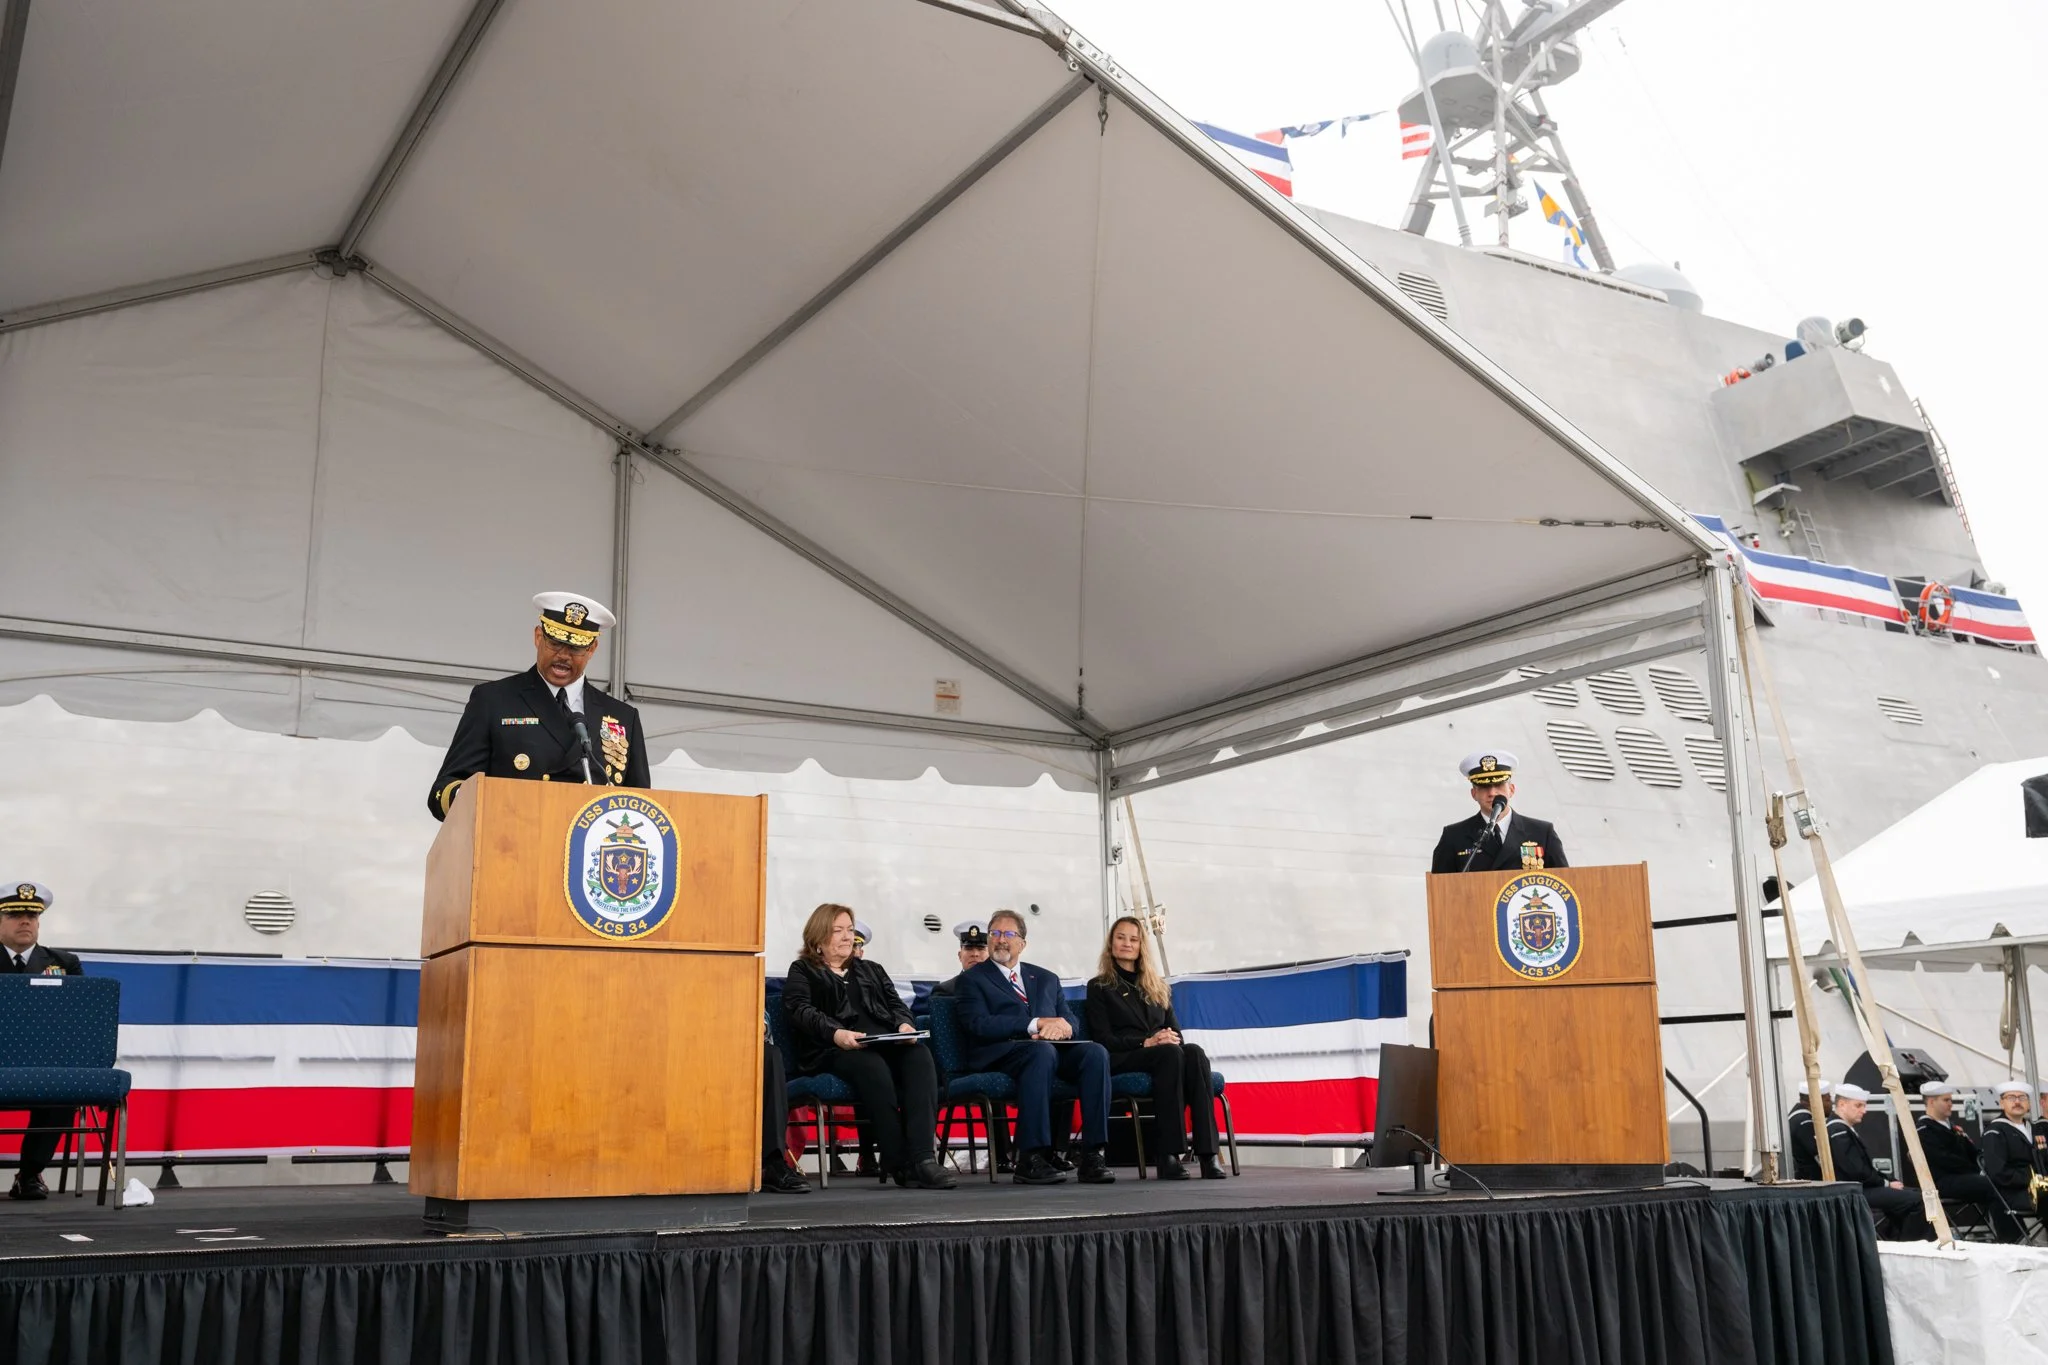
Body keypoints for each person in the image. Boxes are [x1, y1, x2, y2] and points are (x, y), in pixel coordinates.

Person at [426, 593, 651, 820]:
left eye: (575, 648)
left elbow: (642, 807)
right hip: (510, 845)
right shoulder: (493, 700)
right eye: (555, 643)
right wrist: (482, 800)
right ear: (537, 637)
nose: (563, 656)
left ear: (592, 649)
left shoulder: (623, 717)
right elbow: (444, 789)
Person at [782, 904, 954, 1190]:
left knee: (919, 1055)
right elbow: (800, 1010)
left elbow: (896, 1005)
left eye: (850, 930)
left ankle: (924, 1159)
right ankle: (898, 1161)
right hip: (834, 1049)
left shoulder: (871, 969)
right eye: (838, 931)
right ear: (818, 937)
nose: (848, 937)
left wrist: (903, 1026)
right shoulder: (803, 970)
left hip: (883, 1042)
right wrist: (837, 1033)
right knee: (870, 1065)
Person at [956, 909, 1113, 1186]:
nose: (1000, 940)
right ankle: (1031, 1156)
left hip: (1047, 1051)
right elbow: (978, 1024)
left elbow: (1070, 1020)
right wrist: (1035, 1024)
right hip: (1000, 1052)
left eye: (1008, 934)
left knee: (1095, 1054)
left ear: (1023, 943)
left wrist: (1063, 1027)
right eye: (994, 933)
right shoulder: (973, 979)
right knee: (1042, 1052)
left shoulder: (1046, 978)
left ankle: (1092, 1154)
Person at [1084, 916, 1227, 1181]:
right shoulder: (1100, 987)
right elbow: (1103, 1039)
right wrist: (1145, 1042)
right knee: (1170, 1054)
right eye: (1121, 937)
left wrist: (1166, 1039)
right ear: (1111, 944)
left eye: (1134, 939)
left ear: (1141, 947)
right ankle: (1168, 1154)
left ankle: (1208, 1155)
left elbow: (1176, 1035)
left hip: (1162, 1054)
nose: (1127, 943)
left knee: (1193, 1052)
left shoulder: (1157, 987)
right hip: (1122, 1056)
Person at [2, 882, 83, 1201]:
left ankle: (30, 1173)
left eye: (32, 916)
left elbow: (80, 1018)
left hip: (40, 1061)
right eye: (16, 915)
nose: (26, 921)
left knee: (61, 1090)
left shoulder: (64, 964)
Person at [1911, 1083, 2020, 1242]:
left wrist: (1986, 1166)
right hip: (1942, 1181)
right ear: (1931, 1102)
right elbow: (1944, 1160)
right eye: (1946, 1100)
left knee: (1998, 1180)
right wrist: (1977, 1171)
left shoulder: (1952, 1127)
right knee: (1990, 1185)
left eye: (1950, 1099)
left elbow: (1973, 1152)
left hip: (1963, 1178)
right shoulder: (1924, 1130)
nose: (1951, 1104)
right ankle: (2011, 1238)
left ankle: (2015, 1234)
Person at [1429, 750, 1569, 874]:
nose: (1492, 793)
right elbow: (1440, 890)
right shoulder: (1454, 836)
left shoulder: (1542, 833)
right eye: (1484, 787)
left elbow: (1565, 882)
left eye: (1498, 785)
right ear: (1473, 794)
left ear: (1512, 790)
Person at [1828, 1083, 1931, 1240]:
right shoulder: (1838, 1130)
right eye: (1858, 1105)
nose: (1864, 1110)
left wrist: (1888, 1180)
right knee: (1918, 1200)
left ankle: (1896, 1238)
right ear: (1842, 1104)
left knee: (1912, 1195)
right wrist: (1885, 1183)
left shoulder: (1841, 1129)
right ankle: (1913, 1244)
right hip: (1852, 1191)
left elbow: (1862, 1169)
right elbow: (1855, 1170)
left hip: (1858, 1188)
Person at [1979, 1080, 2039, 1220]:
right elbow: (1999, 1173)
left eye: (2022, 1098)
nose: (2017, 1102)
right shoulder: (1995, 1131)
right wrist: (2033, 1180)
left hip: (2041, 1190)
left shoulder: (2036, 1130)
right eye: (2011, 1098)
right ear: (2002, 1103)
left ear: (2029, 1104)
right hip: (2012, 1193)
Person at [759, 1030, 810, 1193]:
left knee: (771, 1055)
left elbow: (761, 1015)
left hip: (738, 1042)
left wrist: (763, 1024)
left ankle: (772, 1163)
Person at [1787, 1079, 1833, 1180]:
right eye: (1828, 1100)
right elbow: (1821, 1155)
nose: (1831, 1104)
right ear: (1815, 1100)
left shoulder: (1797, 1116)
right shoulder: (1804, 1122)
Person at [930, 922, 988, 998]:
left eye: (981, 949)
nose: (975, 954)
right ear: (960, 956)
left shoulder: (1003, 986)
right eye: (969, 948)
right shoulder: (945, 990)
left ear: (990, 956)